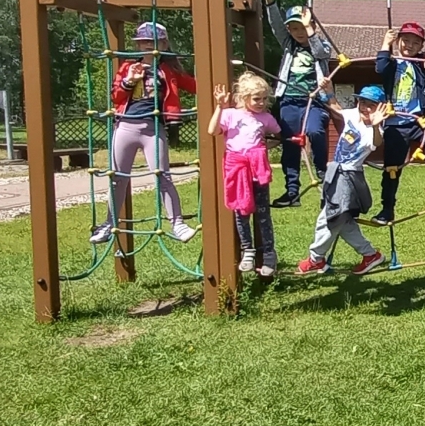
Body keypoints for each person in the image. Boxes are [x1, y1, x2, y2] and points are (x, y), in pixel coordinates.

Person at [91, 21, 196, 245]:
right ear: (138, 45)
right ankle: (109, 223)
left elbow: (194, 86)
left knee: (162, 176)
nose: (147, 45)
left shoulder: (169, 70)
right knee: (118, 178)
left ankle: (177, 223)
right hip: (126, 127)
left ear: (164, 44)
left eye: (152, 41)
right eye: (143, 42)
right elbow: (116, 97)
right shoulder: (129, 66)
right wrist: (129, 81)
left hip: (152, 129)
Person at [296, 86, 390, 276]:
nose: (365, 108)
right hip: (335, 172)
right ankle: (370, 255)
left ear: (380, 108)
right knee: (343, 221)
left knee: (330, 218)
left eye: (371, 105)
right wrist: (329, 90)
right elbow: (336, 108)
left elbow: (377, 142)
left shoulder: (374, 130)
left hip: (348, 177)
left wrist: (375, 124)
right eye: (362, 102)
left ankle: (316, 259)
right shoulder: (353, 115)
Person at [371, 21, 425, 225]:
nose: (409, 46)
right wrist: (385, 44)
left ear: (421, 46)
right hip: (395, 124)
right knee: (392, 169)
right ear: (398, 41)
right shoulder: (392, 62)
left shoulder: (420, 62)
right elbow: (380, 67)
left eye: (415, 43)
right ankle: (387, 209)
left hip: (418, 121)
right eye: (405, 41)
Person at [207, 73, 283, 278]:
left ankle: (269, 253)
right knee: (241, 211)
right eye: (257, 99)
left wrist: (262, 149)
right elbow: (212, 130)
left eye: (264, 98)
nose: (261, 103)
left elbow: (278, 135)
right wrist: (219, 106)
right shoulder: (230, 114)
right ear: (244, 97)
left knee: (263, 213)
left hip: (257, 169)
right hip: (237, 168)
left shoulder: (266, 118)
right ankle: (247, 249)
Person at [267, 3, 336, 208]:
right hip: (289, 100)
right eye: (294, 28)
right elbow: (275, 25)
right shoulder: (288, 44)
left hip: (314, 101)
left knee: (315, 131)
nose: (299, 32)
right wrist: (269, 0)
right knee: (290, 143)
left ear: (312, 26)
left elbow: (320, 53)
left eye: (303, 27)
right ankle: (292, 192)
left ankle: (321, 169)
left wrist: (309, 29)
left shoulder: (322, 45)